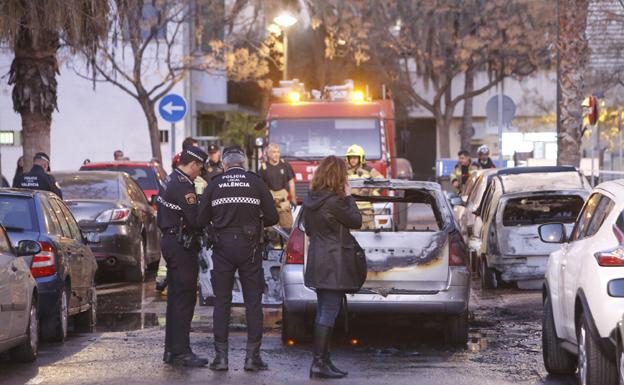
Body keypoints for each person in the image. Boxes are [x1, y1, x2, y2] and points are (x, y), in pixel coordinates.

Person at [198, 146, 278, 372]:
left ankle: (221, 359)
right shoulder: (256, 183)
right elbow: (272, 216)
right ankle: (252, 358)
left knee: (222, 302)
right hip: (250, 247)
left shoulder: (214, 184)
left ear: (224, 164)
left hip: (222, 248)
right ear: (243, 164)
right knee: (253, 302)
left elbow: (200, 218)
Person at [303, 155, 362, 379]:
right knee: (328, 312)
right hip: (334, 263)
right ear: (338, 176)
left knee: (324, 310)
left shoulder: (311, 200)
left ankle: (324, 360)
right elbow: (356, 220)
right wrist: (349, 196)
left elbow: (308, 230)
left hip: (319, 260)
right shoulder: (335, 201)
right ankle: (319, 363)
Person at [156, 146, 209, 367]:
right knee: (184, 299)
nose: (200, 174)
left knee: (176, 298)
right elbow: (195, 220)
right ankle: (181, 352)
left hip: (171, 241)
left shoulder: (170, 179)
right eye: (200, 168)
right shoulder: (183, 185)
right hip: (181, 245)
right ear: (193, 164)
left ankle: (172, 350)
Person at [259, 143, 296, 231]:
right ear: (268, 154)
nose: (276, 154)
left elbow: (291, 182)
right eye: (274, 152)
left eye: (278, 152)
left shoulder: (285, 165)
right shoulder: (263, 168)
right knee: (271, 232)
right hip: (270, 204)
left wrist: (293, 198)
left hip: (284, 204)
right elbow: (260, 186)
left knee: (287, 229)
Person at [345, 144, 382, 229]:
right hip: (351, 210)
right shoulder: (344, 172)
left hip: (367, 211)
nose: (353, 160)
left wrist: (373, 192)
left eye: (355, 157)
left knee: (370, 236)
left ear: (361, 158)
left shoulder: (368, 170)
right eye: (351, 157)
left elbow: (381, 181)